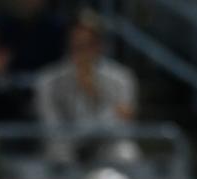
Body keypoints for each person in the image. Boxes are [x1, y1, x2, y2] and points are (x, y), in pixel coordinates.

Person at [35, 10, 138, 163]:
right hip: (66, 146)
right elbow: (53, 129)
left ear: (100, 45)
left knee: (125, 152)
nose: (83, 52)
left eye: (89, 44)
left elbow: (121, 130)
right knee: (57, 151)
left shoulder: (122, 78)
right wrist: (107, 118)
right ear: (69, 43)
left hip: (106, 146)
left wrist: (94, 94)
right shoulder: (47, 80)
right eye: (78, 45)